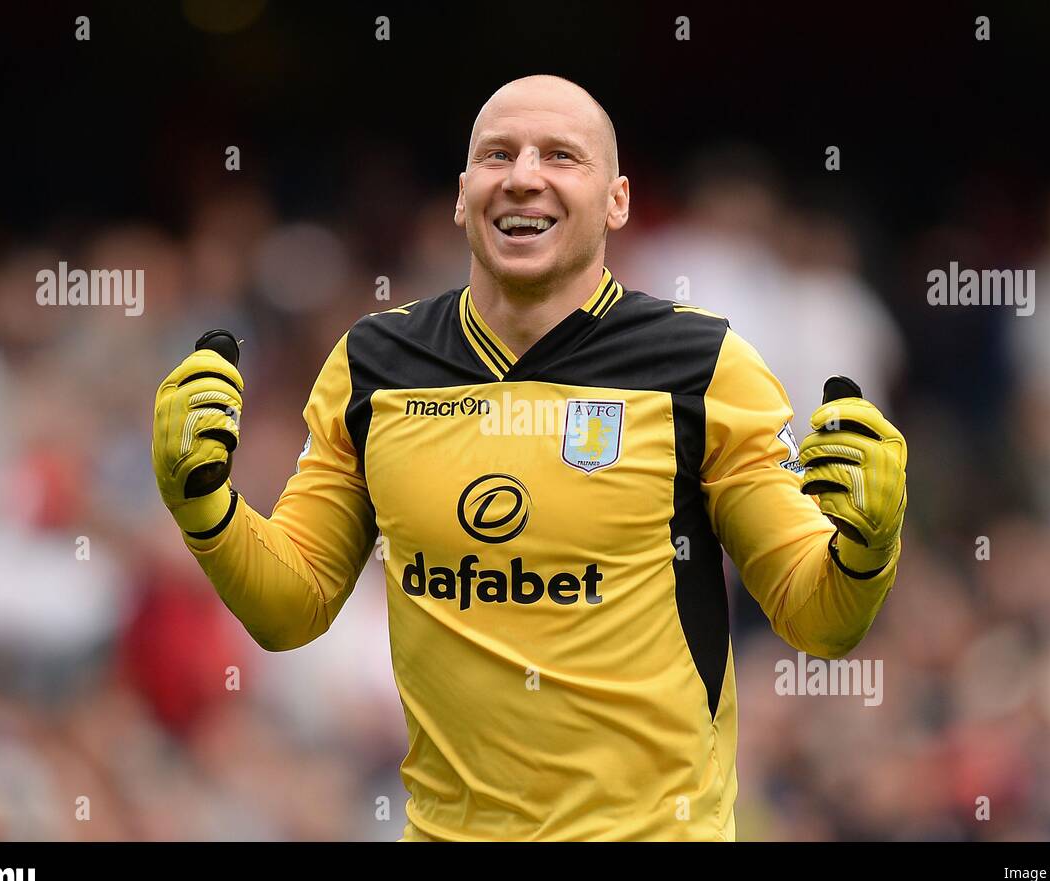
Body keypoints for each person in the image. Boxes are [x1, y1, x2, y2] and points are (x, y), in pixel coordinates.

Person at [150, 74, 908, 841]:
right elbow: (291, 605)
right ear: (461, 195)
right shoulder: (373, 363)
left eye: (560, 155)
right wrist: (205, 504)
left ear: (617, 200)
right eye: (497, 154)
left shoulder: (703, 365)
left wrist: (867, 545)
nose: (523, 176)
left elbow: (816, 619)